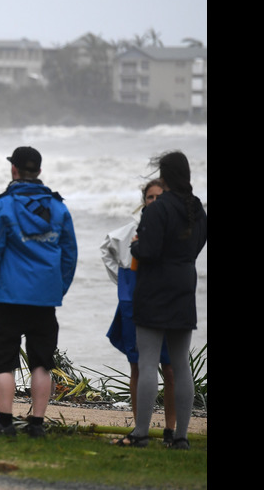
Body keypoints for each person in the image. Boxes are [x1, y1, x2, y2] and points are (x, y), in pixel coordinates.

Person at [0, 146, 78, 438]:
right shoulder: (58, 208)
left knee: (3, 360)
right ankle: (37, 425)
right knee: (42, 362)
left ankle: (5, 423)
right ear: (39, 172)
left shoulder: (2, 206)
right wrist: (57, 289)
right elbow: (69, 256)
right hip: (43, 299)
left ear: (14, 170)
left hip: (4, 296)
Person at [115, 151, 206, 450]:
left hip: (154, 289)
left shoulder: (158, 209)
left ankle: (141, 432)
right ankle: (180, 436)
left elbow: (149, 251)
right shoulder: (196, 209)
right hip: (184, 284)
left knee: (148, 360)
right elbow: (196, 247)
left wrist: (136, 248)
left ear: (164, 176)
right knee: (180, 365)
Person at [101, 179, 176, 444]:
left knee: (169, 368)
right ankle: (139, 427)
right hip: (134, 303)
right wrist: (121, 281)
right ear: (143, 201)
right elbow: (106, 247)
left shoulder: (173, 230)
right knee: (137, 366)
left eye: (159, 197)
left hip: (164, 303)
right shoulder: (132, 229)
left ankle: (171, 430)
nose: (154, 202)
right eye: (149, 197)